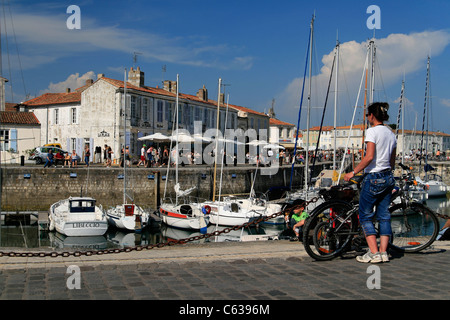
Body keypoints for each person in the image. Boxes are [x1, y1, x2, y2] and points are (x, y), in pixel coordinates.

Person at [344, 102, 396, 263]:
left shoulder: (372, 132)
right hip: (388, 176)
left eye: (368, 115)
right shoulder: (391, 134)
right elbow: (392, 162)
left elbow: (369, 157)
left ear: (372, 116)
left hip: (373, 177)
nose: (367, 118)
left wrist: (353, 172)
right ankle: (383, 252)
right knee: (384, 216)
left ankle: (374, 253)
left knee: (366, 215)